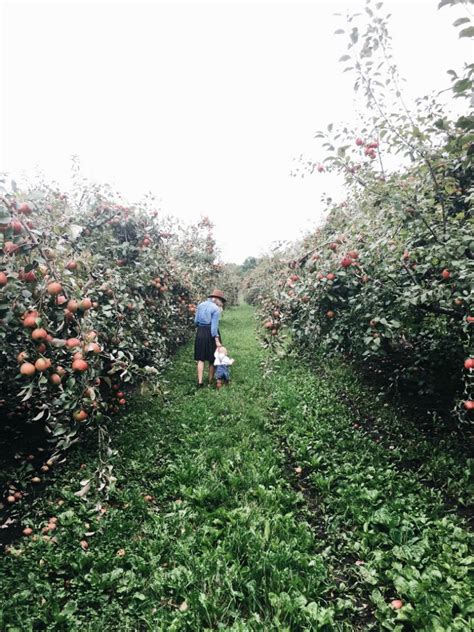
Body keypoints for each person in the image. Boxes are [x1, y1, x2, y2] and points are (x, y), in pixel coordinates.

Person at [194, 289, 226, 387]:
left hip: (200, 331)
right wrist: (217, 340)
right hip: (210, 333)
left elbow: (195, 321)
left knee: (200, 358)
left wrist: (200, 328)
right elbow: (214, 327)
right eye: (221, 301)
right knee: (212, 358)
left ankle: (200, 382)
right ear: (216, 299)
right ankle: (210, 380)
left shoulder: (200, 305)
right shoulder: (215, 309)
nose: (221, 304)